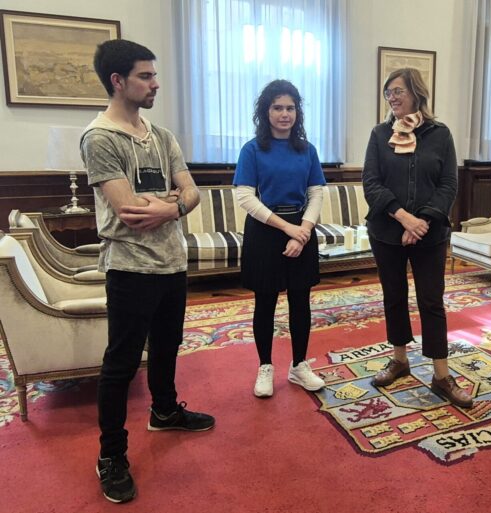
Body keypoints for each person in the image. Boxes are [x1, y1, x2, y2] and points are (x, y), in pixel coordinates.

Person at [81, 39, 215, 504]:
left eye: (154, 75)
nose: (155, 83)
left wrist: (171, 206)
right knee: (120, 364)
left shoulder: (161, 135)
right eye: (146, 76)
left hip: (172, 263)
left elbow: (192, 192)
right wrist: (174, 201)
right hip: (130, 268)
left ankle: (165, 411)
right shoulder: (101, 138)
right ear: (118, 81)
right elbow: (129, 211)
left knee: (167, 345)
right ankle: (111, 454)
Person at [363, 68, 472, 408]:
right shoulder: (380, 134)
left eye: (398, 91)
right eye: (388, 93)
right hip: (386, 231)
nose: (392, 98)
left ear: (416, 92)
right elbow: (371, 183)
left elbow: (448, 184)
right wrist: (404, 218)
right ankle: (399, 360)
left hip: (430, 233)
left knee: (431, 300)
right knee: (394, 296)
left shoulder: (441, 134)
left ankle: (441, 375)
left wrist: (422, 221)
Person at [234, 80, 326, 398]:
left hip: (302, 227)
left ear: (297, 112)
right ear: (266, 111)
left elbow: (316, 193)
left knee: (301, 301)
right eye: (277, 108)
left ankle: (299, 365)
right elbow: (245, 197)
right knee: (266, 302)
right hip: (265, 230)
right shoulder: (252, 149)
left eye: (290, 108)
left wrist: (303, 231)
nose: (284, 114)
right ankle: (265, 367)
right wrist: (288, 229)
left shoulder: (307, 150)